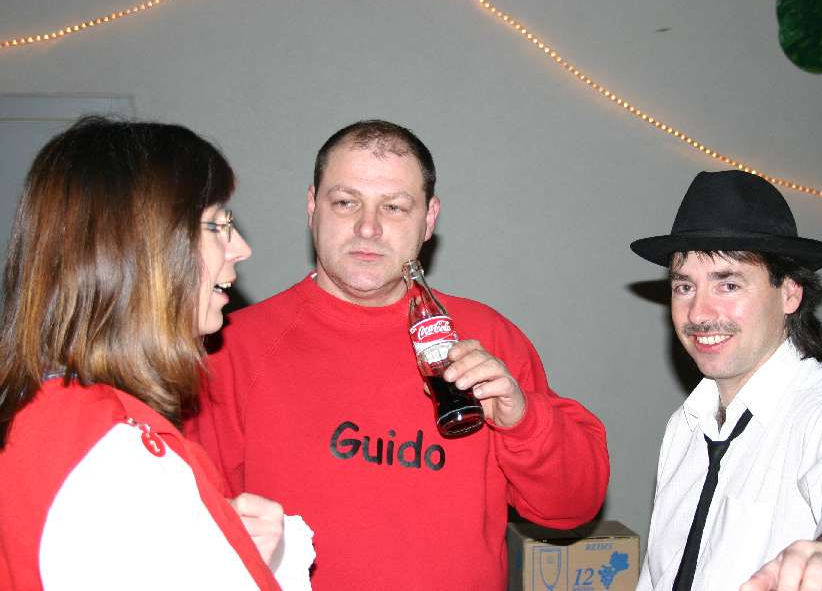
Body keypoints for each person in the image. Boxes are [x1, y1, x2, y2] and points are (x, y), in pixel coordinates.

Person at [187, 119, 611, 590]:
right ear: (312, 208)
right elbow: (186, 537)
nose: (368, 227)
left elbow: (573, 506)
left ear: (429, 219)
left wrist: (523, 422)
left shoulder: (490, 337)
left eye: (394, 207)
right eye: (346, 202)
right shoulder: (233, 348)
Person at [0, 117, 312, 590]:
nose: (241, 249)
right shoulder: (112, 457)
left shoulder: (56, 416)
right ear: (143, 248)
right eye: (216, 225)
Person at [630, 170, 822, 591]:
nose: (698, 312)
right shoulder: (686, 426)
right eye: (684, 287)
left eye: (728, 284)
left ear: (790, 293)